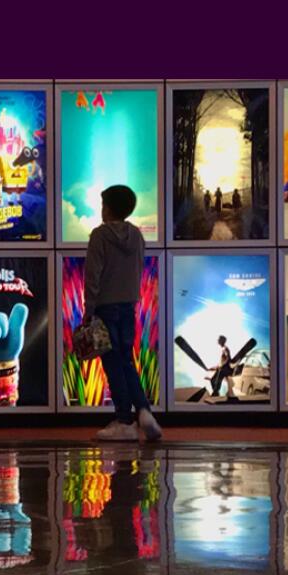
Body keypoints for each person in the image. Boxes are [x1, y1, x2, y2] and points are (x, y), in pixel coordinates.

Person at [83, 184, 162, 442]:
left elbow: (93, 274)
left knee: (113, 362)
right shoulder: (137, 236)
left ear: (109, 208)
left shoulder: (100, 235)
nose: (101, 209)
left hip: (105, 307)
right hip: (129, 306)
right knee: (126, 360)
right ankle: (143, 411)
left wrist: (89, 308)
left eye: (103, 204)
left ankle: (124, 420)